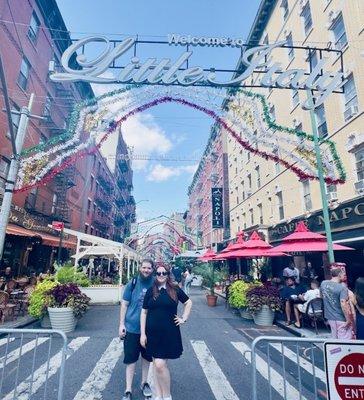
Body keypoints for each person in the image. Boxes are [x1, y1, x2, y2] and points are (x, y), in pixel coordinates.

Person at [140, 264, 192, 400]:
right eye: (158, 273)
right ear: (155, 275)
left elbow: (188, 302)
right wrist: (143, 334)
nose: (161, 275)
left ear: (168, 274)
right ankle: (158, 395)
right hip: (152, 334)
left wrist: (184, 318)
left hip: (169, 333)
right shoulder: (151, 291)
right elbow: (144, 312)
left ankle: (167, 395)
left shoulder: (174, 289)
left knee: (160, 364)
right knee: (157, 365)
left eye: (164, 273)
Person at [119, 259, 155, 400]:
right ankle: (128, 389)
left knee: (147, 358)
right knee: (131, 359)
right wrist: (121, 324)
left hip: (149, 329)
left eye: (149, 268)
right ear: (140, 268)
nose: (146, 270)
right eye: (144, 267)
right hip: (132, 328)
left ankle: (144, 383)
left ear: (152, 269)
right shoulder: (133, 283)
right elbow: (124, 305)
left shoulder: (155, 284)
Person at [320, 267, 354, 339]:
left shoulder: (323, 283)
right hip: (341, 318)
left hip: (330, 317)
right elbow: (343, 303)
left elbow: (321, 296)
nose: (345, 276)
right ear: (339, 275)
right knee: (345, 341)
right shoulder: (342, 288)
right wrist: (348, 320)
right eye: (343, 274)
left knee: (334, 339)